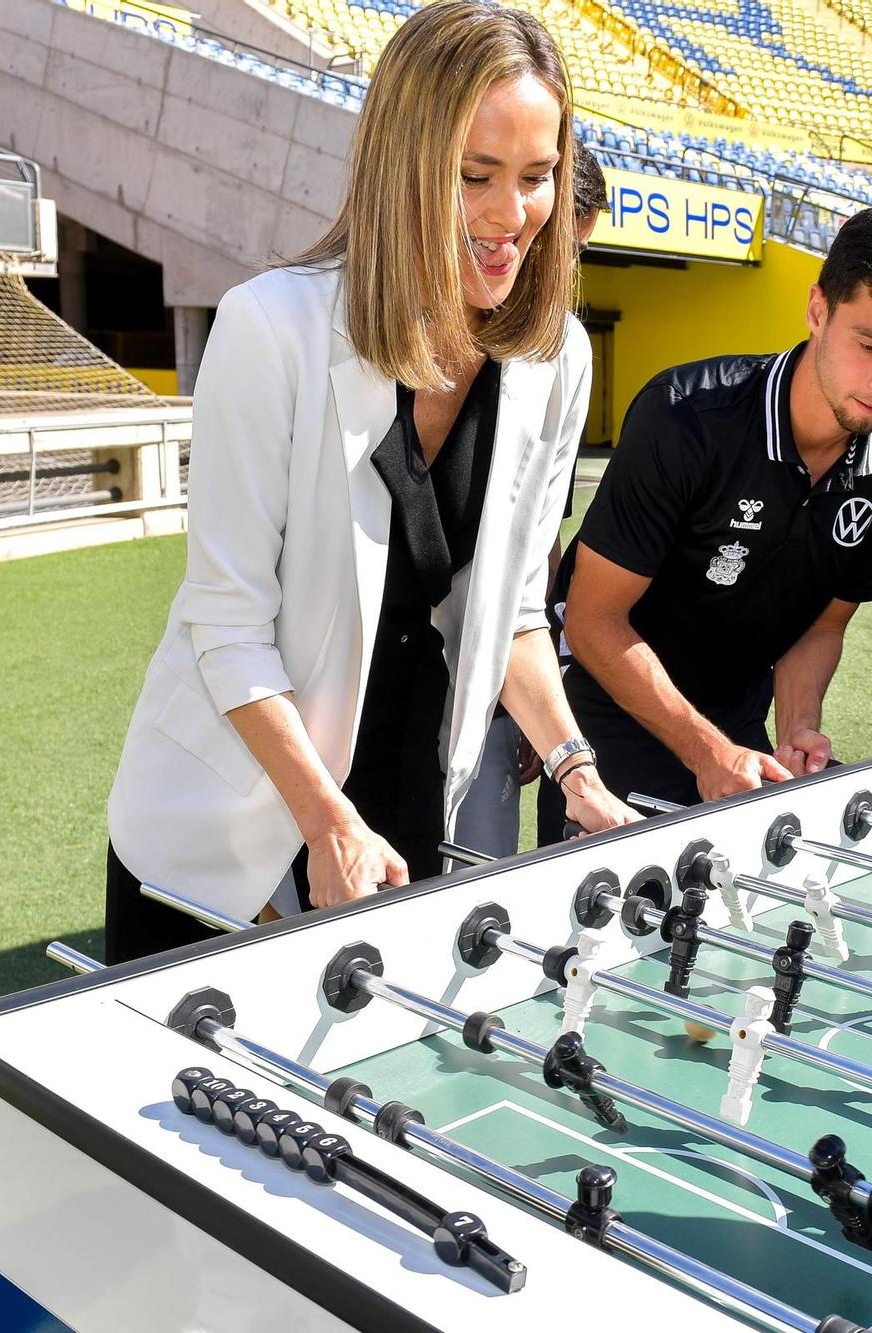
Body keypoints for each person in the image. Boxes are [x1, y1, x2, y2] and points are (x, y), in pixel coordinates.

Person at [103, 2, 636, 963]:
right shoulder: (270, 329)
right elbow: (225, 625)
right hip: (226, 830)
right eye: (475, 176)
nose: (511, 217)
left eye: (537, 177)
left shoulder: (558, 360)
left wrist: (577, 770)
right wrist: (324, 820)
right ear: (401, 165)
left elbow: (514, 613)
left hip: (403, 801)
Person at [556, 206, 872, 805]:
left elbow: (822, 623)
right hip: (614, 734)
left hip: (742, 739)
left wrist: (796, 727)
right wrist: (703, 750)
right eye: (870, 345)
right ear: (818, 311)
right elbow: (592, 622)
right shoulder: (685, 416)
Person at [455, 140, 610, 861]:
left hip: (489, 686)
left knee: (471, 883)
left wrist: (541, 724)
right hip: (360, 710)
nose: (565, 271)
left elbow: (529, 559)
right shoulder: (301, 326)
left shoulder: (561, 357)